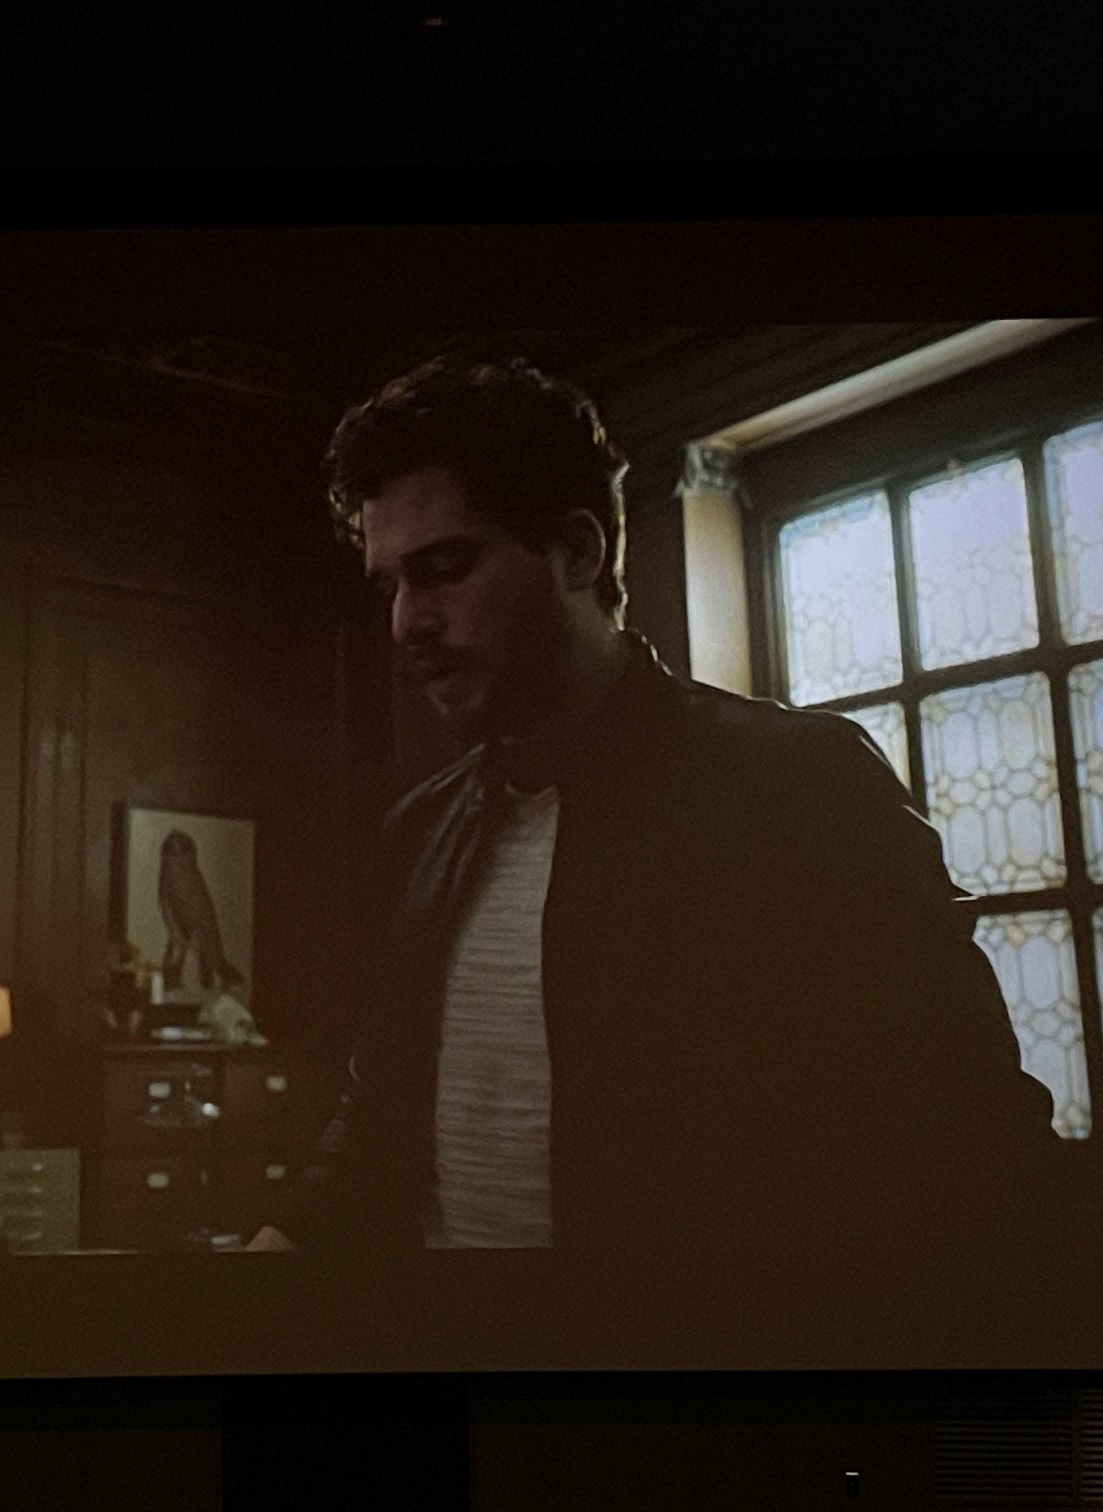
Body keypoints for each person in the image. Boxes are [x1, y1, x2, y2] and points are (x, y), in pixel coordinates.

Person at [243, 356, 1061, 1317]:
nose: (406, 623)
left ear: (576, 553)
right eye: (390, 584)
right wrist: (276, 1250)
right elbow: (382, 1116)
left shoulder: (799, 788)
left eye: (445, 568)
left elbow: (973, 1141)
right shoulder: (420, 831)